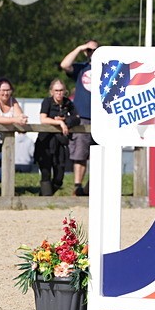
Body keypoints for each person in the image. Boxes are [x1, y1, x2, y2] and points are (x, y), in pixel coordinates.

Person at [60, 41, 98, 196]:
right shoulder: (81, 68)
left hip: (102, 118)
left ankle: (92, 188)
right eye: (88, 51)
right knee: (80, 154)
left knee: (99, 156)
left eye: (94, 50)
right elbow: (64, 65)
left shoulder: (109, 68)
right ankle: (78, 187)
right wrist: (79, 48)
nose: (91, 53)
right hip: (82, 116)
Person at [36, 78, 81, 196]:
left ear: (65, 91)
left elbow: (77, 118)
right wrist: (59, 123)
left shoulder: (68, 103)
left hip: (60, 143)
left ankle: (43, 196)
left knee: (59, 177)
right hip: (45, 142)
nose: (59, 93)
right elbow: (43, 119)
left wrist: (65, 120)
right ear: (51, 91)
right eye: (56, 90)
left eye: (61, 90)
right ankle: (45, 199)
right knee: (46, 173)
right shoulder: (47, 102)